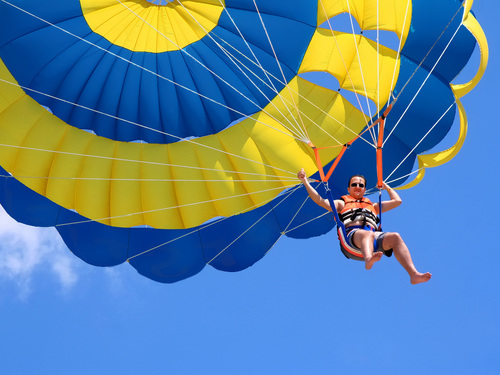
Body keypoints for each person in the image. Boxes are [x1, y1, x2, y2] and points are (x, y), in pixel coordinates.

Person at [297, 168, 431, 285]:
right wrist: (305, 181)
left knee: (395, 237)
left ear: (365, 189)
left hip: (373, 238)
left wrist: (386, 187)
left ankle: (414, 274)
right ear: (348, 188)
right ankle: (368, 259)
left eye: (361, 185)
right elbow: (320, 201)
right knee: (366, 234)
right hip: (352, 240)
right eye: (354, 184)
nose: (357, 186)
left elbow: (397, 201)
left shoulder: (373, 206)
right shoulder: (342, 203)